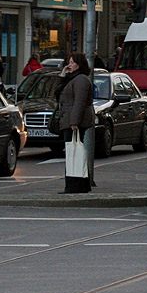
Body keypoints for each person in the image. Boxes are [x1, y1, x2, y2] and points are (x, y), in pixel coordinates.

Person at [57, 52, 94, 194]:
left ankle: (74, 185)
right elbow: (57, 92)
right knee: (74, 153)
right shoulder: (71, 79)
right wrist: (62, 74)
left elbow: (79, 102)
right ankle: (81, 185)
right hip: (69, 119)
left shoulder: (81, 80)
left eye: (72, 62)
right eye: (68, 62)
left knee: (74, 153)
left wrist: (74, 122)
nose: (69, 65)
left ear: (79, 64)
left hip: (74, 121)